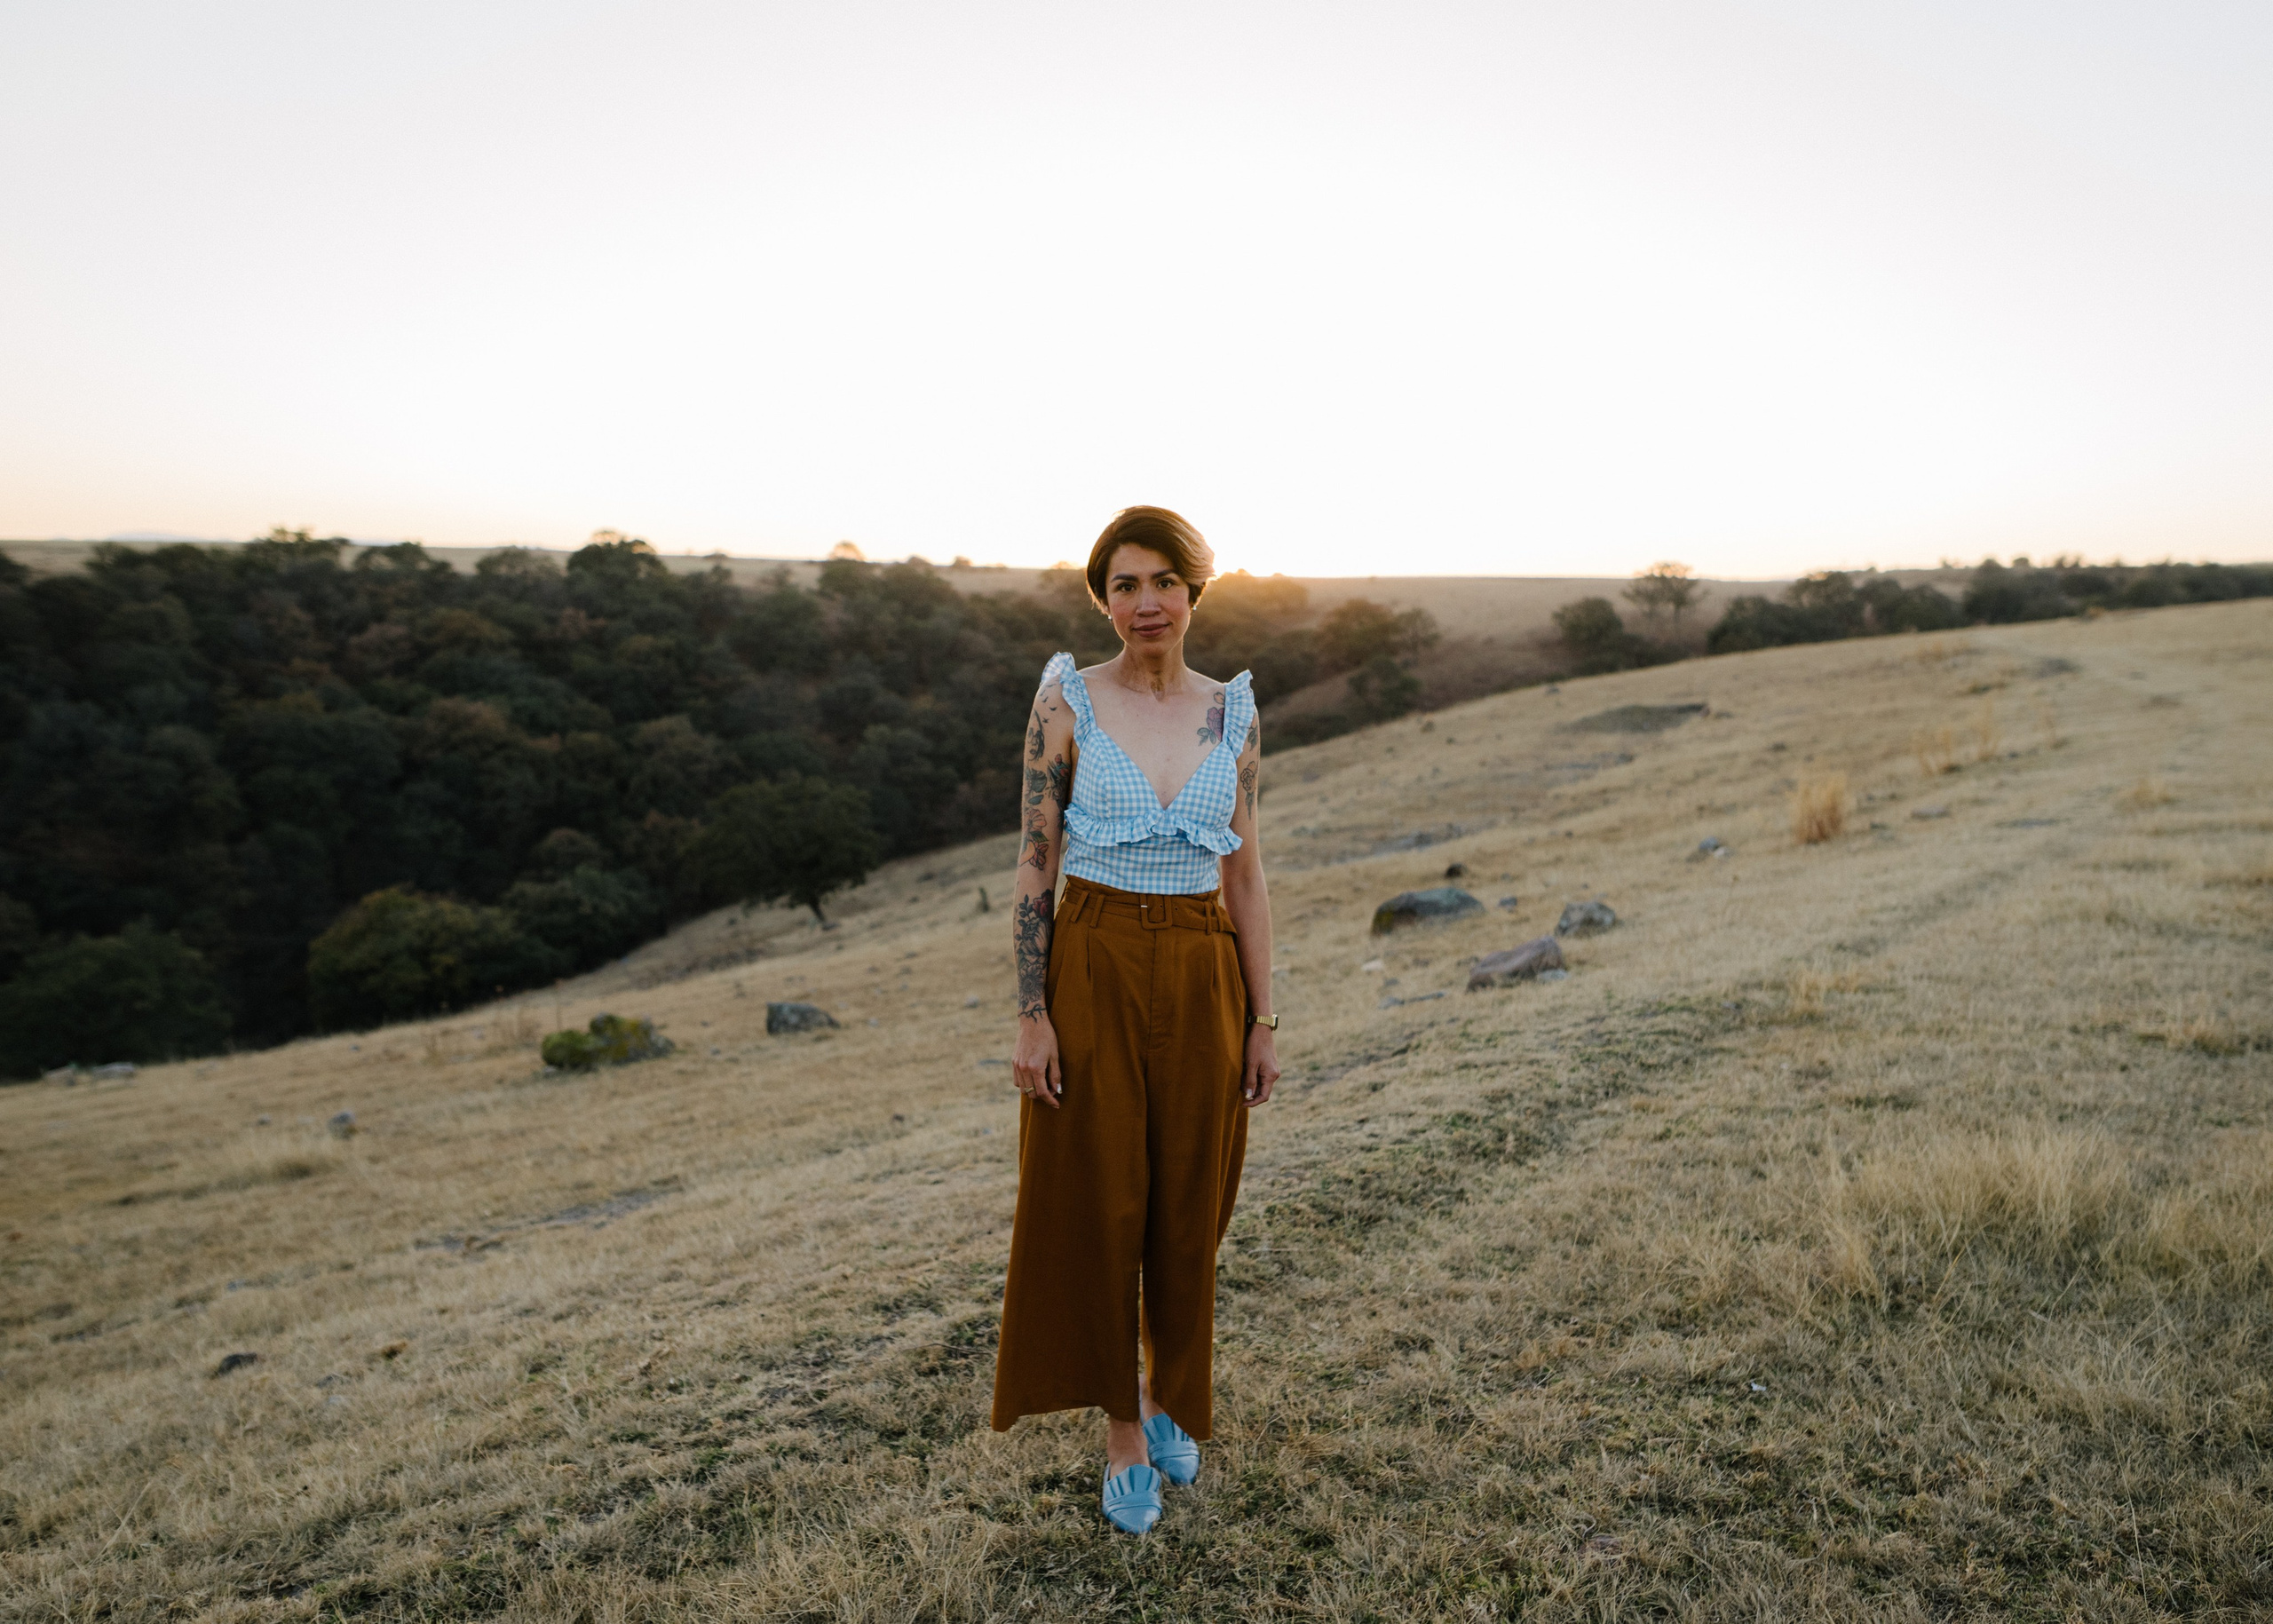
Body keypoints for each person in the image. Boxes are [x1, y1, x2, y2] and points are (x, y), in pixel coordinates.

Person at [990, 505, 1281, 1535]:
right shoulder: (1065, 702)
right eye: (1123, 585)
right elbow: (1033, 863)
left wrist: (1263, 1015)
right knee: (1099, 1198)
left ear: (1195, 590)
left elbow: (1244, 870)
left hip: (1204, 964)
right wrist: (1032, 1012)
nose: (1144, 603)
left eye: (1162, 580)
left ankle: (1168, 1400)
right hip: (1094, 959)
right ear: (1102, 598)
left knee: (1189, 1203)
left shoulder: (1233, 712)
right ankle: (1122, 1430)